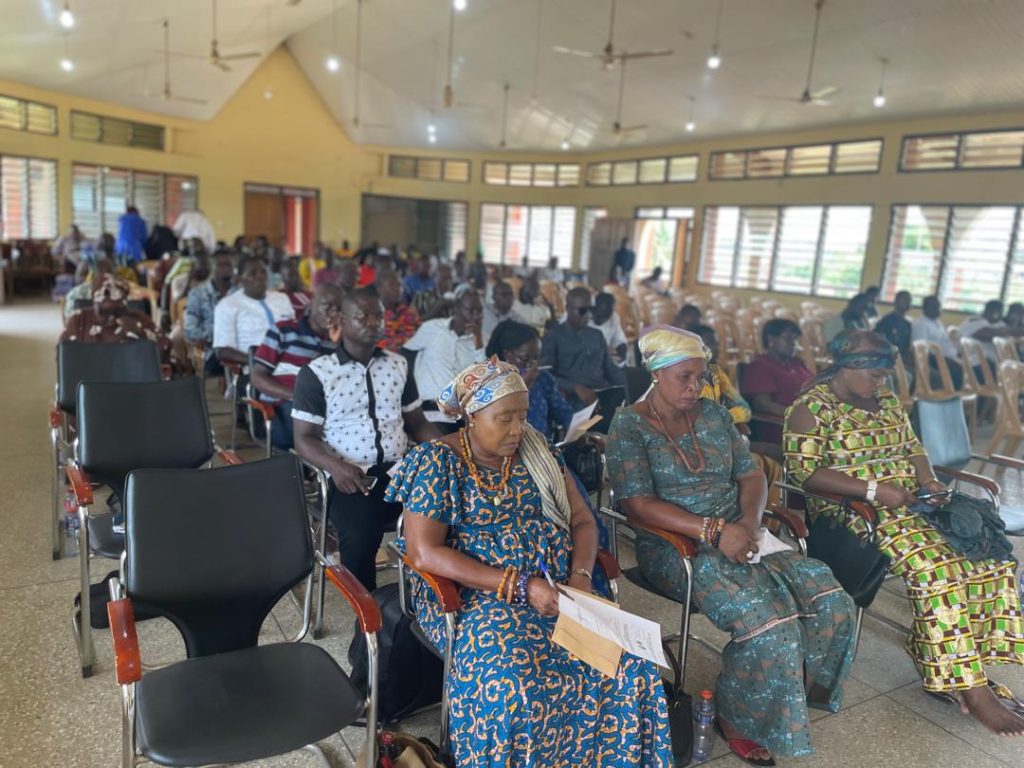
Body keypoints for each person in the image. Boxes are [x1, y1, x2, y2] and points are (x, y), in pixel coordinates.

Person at [388, 359, 672, 767]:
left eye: (522, 416)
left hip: (560, 588)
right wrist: (520, 586)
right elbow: (424, 552)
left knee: (631, 667)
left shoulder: (539, 452)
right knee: (515, 687)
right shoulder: (438, 462)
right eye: (504, 418)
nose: (517, 429)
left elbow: (582, 521)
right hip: (478, 597)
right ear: (472, 416)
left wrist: (580, 577)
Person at [606, 326, 856, 762]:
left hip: (741, 531)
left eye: (701, 376)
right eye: (684, 377)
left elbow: (752, 475)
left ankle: (782, 692)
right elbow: (637, 505)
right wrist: (714, 532)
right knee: (771, 627)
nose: (695, 386)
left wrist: (748, 525)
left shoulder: (715, 415)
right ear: (657, 373)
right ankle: (736, 716)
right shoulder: (629, 425)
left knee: (833, 601)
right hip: (676, 546)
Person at [784, 330, 1024, 737]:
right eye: (875, 375)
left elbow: (914, 449)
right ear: (847, 366)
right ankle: (971, 688)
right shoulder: (811, 408)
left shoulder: (887, 400)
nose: (881, 382)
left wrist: (928, 481)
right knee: (937, 570)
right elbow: (804, 474)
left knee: (990, 558)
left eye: (884, 375)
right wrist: (875, 491)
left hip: (911, 504)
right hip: (856, 513)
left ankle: (961, 668)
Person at [293, 288, 440, 589]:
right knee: (361, 533)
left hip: (399, 470)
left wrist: (451, 451)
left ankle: (429, 595)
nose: (373, 323)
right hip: (349, 476)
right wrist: (335, 467)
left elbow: (417, 423)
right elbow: (304, 439)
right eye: (363, 316)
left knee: (447, 509)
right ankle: (368, 608)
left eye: (378, 316)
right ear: (342, 320)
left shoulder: (398, 365)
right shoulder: (318, 373)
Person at [252, 284, 340, 450]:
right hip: (282, 406)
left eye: (339, 309)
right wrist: (298, 397)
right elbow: (257, 377)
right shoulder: (283, 330)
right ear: (311, 305)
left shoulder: (338, 342)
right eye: (327, 306)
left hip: (326, 406)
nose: (333, 313)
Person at [541, 287, 625, 432]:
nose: (588, 315)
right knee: (599, 423)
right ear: (568, 308)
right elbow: (545, 374)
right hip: (573, 396)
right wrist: (574, 387)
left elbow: (610, 369)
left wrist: (630, 385)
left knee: (630, 408)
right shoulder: (554, 336)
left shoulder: (597, 335)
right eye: (582, 310)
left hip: (601, 392)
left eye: (591, 310)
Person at [403, 289, 485, 429]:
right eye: (470, 310)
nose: (476, 316)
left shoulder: (481, 342)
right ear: (456, 308)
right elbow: (404, 350)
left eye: (479, 311)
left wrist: (478, 342)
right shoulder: (433, 328)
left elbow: (483, 377)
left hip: (460, 414)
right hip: (428, 409)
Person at [61, 274, 173, 366]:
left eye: (116, 312)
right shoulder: (80, 319)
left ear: (125, 301)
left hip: (135, 381)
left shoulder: (138, 319)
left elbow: (164, 351)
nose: (111, 318)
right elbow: (64, 357)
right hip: (89, 381)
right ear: (94, 299)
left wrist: (140, 332)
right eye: (102, 294)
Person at [486, 320, 573, 440]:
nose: (532, 364)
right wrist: (522, 386)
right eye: (524, 358)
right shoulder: (491, 380)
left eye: (536, 358)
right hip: (507, 445)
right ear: (507, 354)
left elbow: (563, 412)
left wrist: (575, 429)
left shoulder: (542, 378)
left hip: (543, 446)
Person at [741, 318, 813, 444]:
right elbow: (763, 404)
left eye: (795, 339)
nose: (793, 344)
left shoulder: (797, 363)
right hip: (781, 426)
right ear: (770, 339)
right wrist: (798, 415)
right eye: (788, 338)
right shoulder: (759, 366)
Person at [212, 258, 294, 367]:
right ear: (240, 279)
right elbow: (222, 351)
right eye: (253, 273)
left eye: (263, 272)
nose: (260, 276)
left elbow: (295, 332)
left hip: (292, 362)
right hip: (255, 368)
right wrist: (258, 361)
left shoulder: (281, 298)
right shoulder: (227, 305)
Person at [184, 251, 234, 374]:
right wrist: (218, 335)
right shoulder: (198, 294)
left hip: (241, 347)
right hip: (214, 350)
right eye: (220, 265)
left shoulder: (239, 292)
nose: (226, 269)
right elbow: (190, 330)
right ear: (211, 268)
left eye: (228, 265)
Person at [911, 295, 964, 388]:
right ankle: (951, 395)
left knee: (968, 367)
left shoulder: (937, 323)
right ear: (926, 308)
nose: (939, 309)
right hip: (932, 360)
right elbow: (921, 350)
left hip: (946, 357)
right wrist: (942, 360)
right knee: (956, 369)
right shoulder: (921, 324)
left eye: (939, 306)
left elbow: (945, 342)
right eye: (936, 307)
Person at [960, 299, 1023, 364]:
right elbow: (988, 334)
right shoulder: (976, 321)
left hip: (991, 360)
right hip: (976, 361)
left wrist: (1015, 322)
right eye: (1001, 312)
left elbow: (1013, 342)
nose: (1002, 316)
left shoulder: (997, 323)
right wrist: (1012, 329)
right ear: (995, 313)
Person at [374, 269, 420, 351]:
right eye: (391, 285)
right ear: (379, 288)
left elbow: (421, 337)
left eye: (399, 285)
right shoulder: (373, 315)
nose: (397, 289)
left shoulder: (410, 313)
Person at [873, 290, 913, 365]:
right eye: (905, 299)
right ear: (896, 302)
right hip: (887, 361)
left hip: (902, 361)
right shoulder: (886, 321)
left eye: (909, 300)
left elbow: (906, 348)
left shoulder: (908, 324)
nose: (908, 302)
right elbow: (879, 345)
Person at [590, 292, 628, 365]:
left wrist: (621, 352)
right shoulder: (582, 319)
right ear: (593, 310)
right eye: (599, 318)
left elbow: (619, 340)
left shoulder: (614, 318)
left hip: (608, 360)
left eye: (605, 319)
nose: (601, 321)